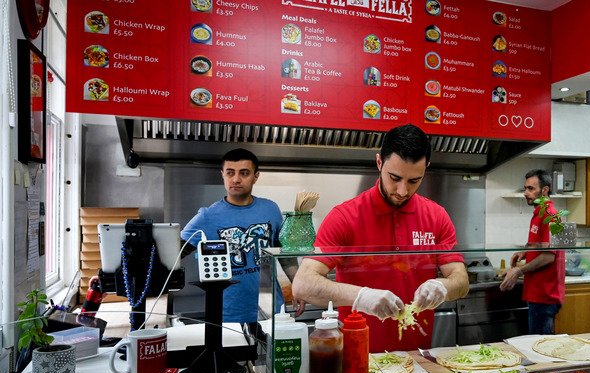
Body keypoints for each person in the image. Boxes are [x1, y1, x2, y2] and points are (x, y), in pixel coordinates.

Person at [292, 124, 469, 352]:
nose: (403, 191)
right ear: (379, 163)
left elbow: (461, 282)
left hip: (417, 359)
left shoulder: (437, 216)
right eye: (394, 177)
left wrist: (443, 286)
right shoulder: (344, 216)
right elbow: (303, 284)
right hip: (360, 358)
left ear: (426, 168)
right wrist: (361, 296)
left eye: (414, 180)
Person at [181, 148, 303, 324]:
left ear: (256, 176)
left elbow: (284, 256)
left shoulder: (271, 209)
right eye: (230, 173)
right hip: (229, 316)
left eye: (244, 173)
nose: (236, 179)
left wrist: (298, 287)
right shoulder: (207, 216)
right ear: (223, 175)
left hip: (273, 312)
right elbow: (177, 251)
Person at [499, 169, 565, 334]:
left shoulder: (550, 215)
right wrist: (526, 252)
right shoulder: (539, 214)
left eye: (531, 189)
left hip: (545, 295)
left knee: (541, 349)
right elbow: (544, 246)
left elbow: (549, 256)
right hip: (537, 293)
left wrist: (518, 271)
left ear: (545, 190)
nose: (526, 193)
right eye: (525, 188)